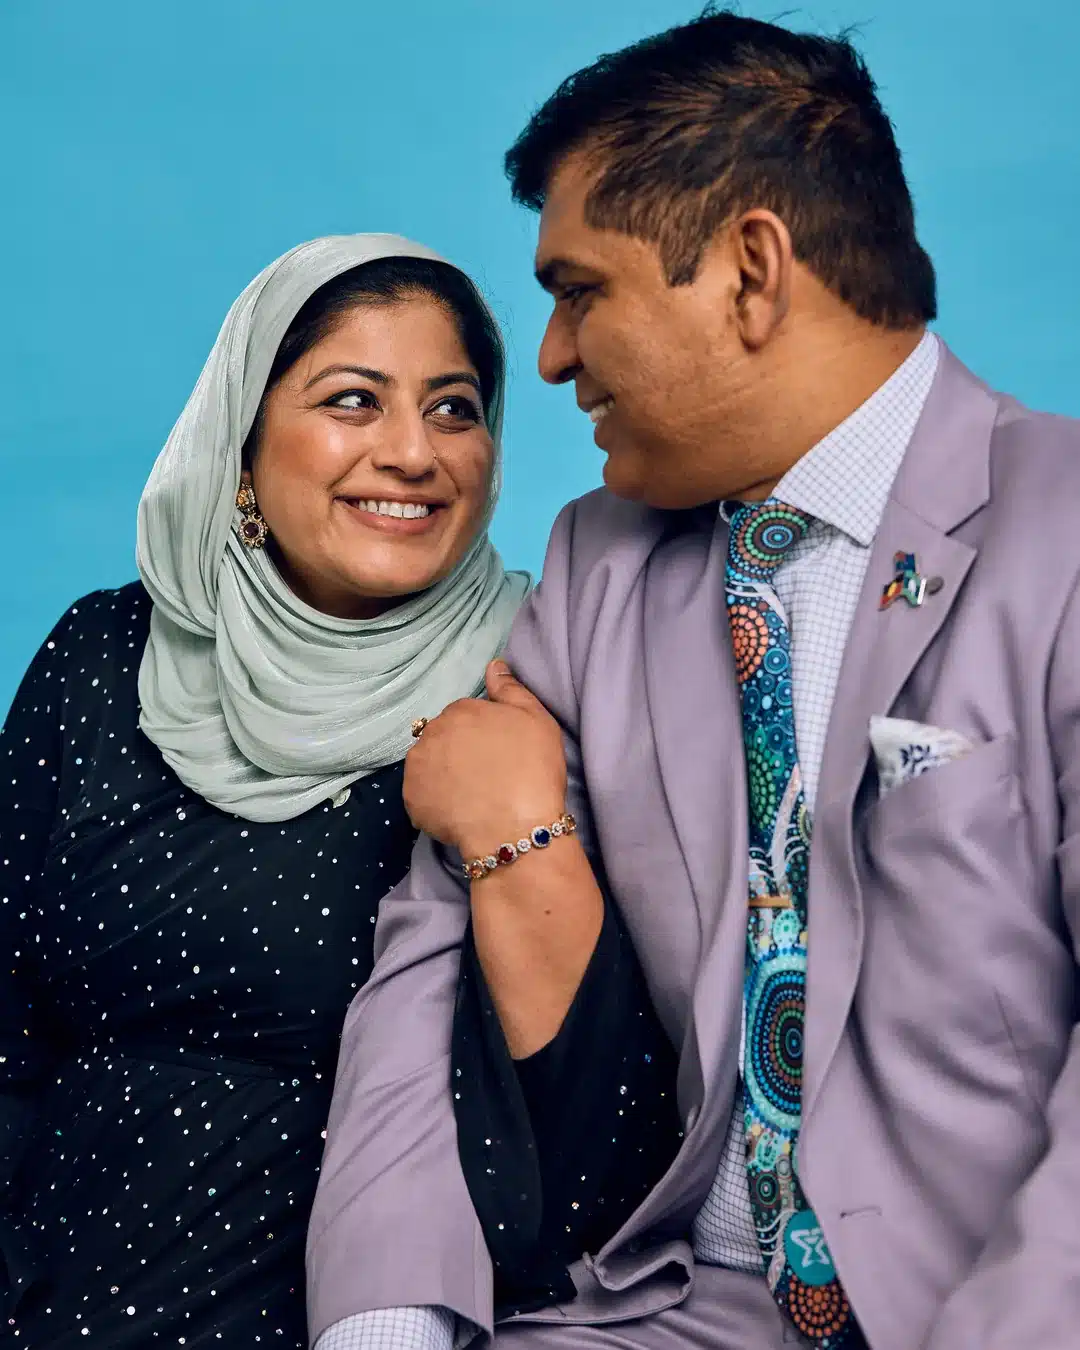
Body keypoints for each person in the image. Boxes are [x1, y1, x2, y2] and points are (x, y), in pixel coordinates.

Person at [307, 10, 1080, 1350]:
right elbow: (428, 944)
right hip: (675, 1310)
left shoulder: (1059, 527)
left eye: (580, 289)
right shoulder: (600, 562)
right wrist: (386, 1320)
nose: (547, 356)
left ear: (751, 270)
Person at [0, 233, 528, 1348]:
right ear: (243, 446)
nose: (412, 454)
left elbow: (582, 1106)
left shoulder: (526, 700)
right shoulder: (103, 658)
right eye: (353, 401)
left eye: (453, 409)